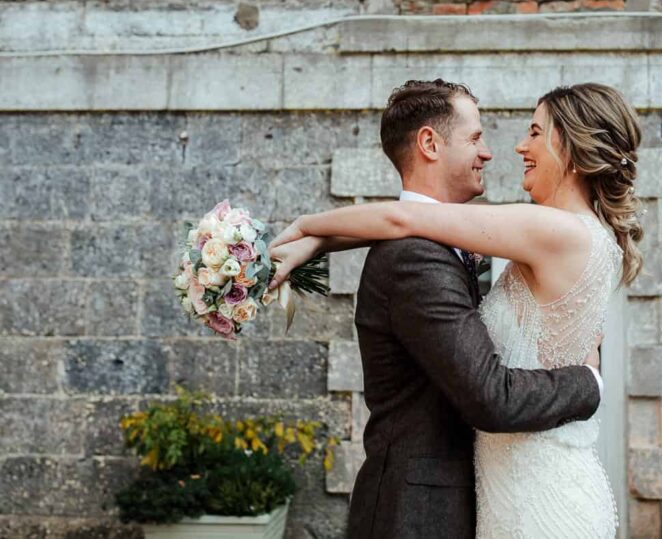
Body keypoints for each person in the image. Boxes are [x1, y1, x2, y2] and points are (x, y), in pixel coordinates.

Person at [270, 80, 643, 538]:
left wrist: (307, 229)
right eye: (476, 137)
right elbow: (411, 223)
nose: (512, 147)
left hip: (537, 493)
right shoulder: (569, 234)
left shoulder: (551, 230)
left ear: (569, 144)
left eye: (534, 131)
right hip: (509, 487)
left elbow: (403, 218)